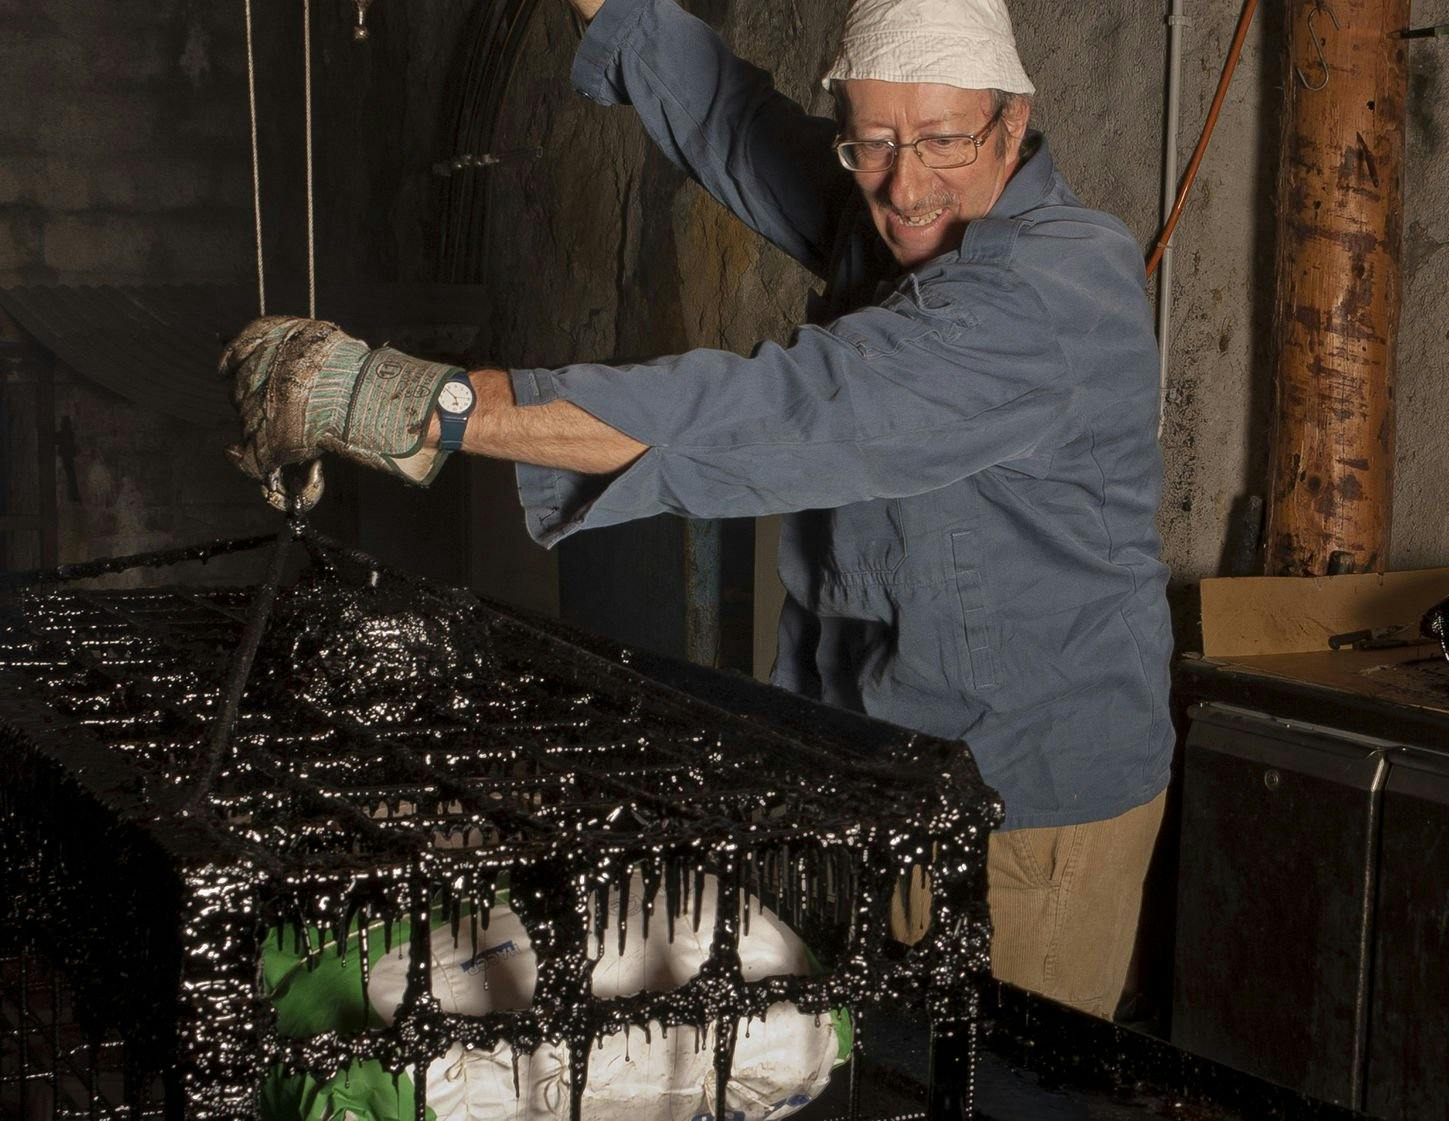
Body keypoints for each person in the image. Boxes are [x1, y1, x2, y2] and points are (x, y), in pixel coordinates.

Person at [221, 0, 1174, 1018]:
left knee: (974, 1080)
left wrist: (420, 404)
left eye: (942, 141)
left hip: (1024, 801)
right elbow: (730, 118)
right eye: (873, 143)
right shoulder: (899, 206)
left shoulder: (1045, 292)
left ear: (1013, 121)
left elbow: (772, 414)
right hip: (867, 751)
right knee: (842, 1063)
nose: (904, 186)